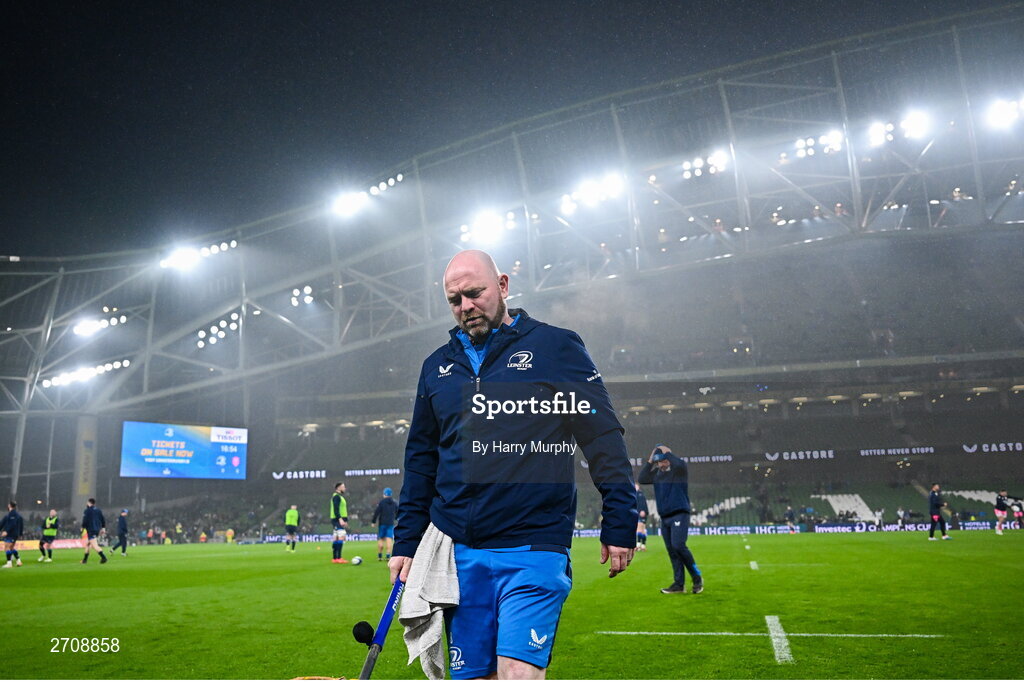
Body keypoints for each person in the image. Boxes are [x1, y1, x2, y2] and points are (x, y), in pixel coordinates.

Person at [391, 249, 637, 680]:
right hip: (460, 554)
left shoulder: (555, 347)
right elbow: (421, 460)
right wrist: (406, 541)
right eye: (454, 300)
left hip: (533, 546)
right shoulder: (436, 367)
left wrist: (620, 517)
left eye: (475, 293)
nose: (466, 307)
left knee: (518, 673)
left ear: (503, 286)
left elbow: (600, 435)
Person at [637, 444, 703, 595]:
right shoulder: (657, 475)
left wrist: (667, 452)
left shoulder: (678, 471)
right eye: (659, 461)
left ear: (669, 460)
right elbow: (642, 478)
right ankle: (679, 584)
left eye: (664, 461)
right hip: (664, 517)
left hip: (679, 513)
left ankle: (696, 577)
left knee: (679, 545)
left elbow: (680, 463)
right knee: (672, 551)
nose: (661, 464)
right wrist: (650, 461)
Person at [372, 488, 398, 561]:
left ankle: (380, 556)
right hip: (390, 523)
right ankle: (388, 555)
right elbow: (398, 512)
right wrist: (396, 518)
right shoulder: (394, 502)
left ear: (384, 494)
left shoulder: (382, 502)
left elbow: (377, 512)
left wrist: (373, 521)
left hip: (382, 523)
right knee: (389, 539)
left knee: (381, 539)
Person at [81, 498, 108, 563]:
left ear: (89, 503)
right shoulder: (98, 510)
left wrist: (82, 527)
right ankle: (84, 560)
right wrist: (103, 528)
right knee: (88, 544)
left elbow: (85, 520)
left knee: (95, 545)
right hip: (97, 529)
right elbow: (102, 519)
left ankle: (104, 558)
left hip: (91, 529)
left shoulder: (87, 511)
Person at [330, 483, 349, 564]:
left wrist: (345, 520)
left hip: (337, 519)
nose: (345, 488)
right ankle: (339, 557)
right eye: (343, 487)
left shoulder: (338, 496)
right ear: (339, 487)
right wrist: (340, 519)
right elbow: (336, 509)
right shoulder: (337, 497)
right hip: (337, 519)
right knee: (341, 536)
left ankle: (335, 558)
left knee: (336, 537)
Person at [1, 501, 24, 568]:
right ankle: (18, 561)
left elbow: (12, 524)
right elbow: (2, 523)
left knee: (7, 547)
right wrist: (20, 534)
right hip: (15, 534)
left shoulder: (13, 514)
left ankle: (9, 563)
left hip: (11, 533)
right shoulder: (13, 515)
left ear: (9, 505)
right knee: (11, 547)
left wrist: (6, 531)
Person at [635, 482, 649, 551]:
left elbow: (641, 504)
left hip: (640, 514)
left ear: (638, 487)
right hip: (643, 514)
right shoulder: (641, 494)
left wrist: (642, 511)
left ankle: (638, 545)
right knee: (642, 531)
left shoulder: (638, 494)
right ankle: (643, 545)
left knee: (639, 529)